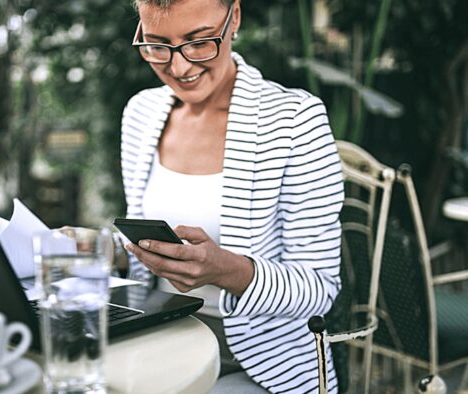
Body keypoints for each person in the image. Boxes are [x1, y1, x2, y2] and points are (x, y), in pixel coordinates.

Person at [119, 0, 345, 393]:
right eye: (157, 45)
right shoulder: (141, 113)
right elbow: (149, 242)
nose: (180, 67)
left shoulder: (294, 121)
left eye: (199, 41)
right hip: (156, 339)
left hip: (263, 362)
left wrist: (227, 271)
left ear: (234, 17)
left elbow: (319, 288)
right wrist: (106, 249)